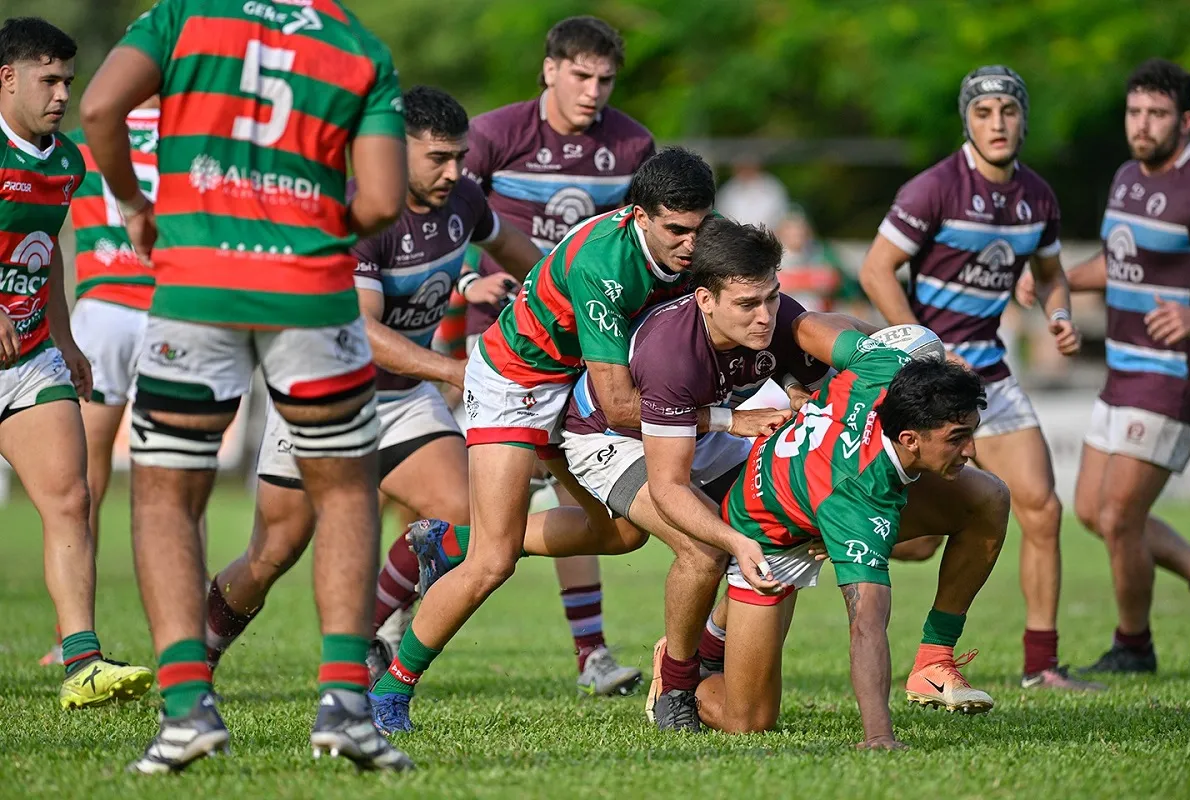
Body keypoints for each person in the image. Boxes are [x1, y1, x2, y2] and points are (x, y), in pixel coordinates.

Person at [80, 0, 412, 772]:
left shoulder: (183, 17)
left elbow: (99, 107)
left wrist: (136, 206)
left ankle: (186, 709)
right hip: (311, 293)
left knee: (166, 494)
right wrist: (311, 235)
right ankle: (345, 706)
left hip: (197, 285)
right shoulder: (358, 46)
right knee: (343, 491)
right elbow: (384, 200)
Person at [406, 219, 823, 732]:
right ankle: (676, 686)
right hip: (592, 425)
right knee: (702, 548)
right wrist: (732, 521)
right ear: (705, 298)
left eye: (772, 299)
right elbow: (657, 465)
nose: (764, 316)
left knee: (756, 525)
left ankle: (712, 647)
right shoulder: (665, 338)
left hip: (657, 418)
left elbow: (830, 335)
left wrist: (863, 360)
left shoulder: (748, 296)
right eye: (747, 305)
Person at [369, 147, 718, 732]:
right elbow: (620, 404)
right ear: (638, 217)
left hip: (578, 385)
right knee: (493, 561)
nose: (691, 245)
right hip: (517, 382)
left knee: (622, 534)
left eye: (699, 229)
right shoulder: (604, 265)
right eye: (677, 230)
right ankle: (389, 691)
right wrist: (726, 420)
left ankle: (449, 543)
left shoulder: (691, 245)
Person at [202, 86, 542, 683]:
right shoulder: (359, 213)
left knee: (470, 514)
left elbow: (522, 255)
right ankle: (200, 654)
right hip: (323, 395)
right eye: (438, 157)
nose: (455, 171)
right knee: (273, 553)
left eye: (460, 156)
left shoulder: (464, 198)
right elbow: (360, 331)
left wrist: (562, 298)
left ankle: (374, 632)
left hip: (402, 399)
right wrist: (454, 370)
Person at [859, 65, 1099, 691]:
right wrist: (923, 350)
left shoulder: (1037, 197)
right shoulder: (933, 188)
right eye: (985, 112)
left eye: (1009, 111)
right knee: (914, 540)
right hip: (929, 382)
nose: (998, 123)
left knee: (1041, 507)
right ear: (967, 120)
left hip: (990, 372)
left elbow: (1049, 273)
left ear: (1023, 118)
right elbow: (877, 271)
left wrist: (1060, 313)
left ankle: (1041, 665)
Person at [459, 15, 656, 692]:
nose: (593, 90)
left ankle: (591, 654)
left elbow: (645, 242)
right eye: (580, 74)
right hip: (499, 342)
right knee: (463, 502)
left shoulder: (633, 144)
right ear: (549, 69)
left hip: (587, 346)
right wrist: (465, 281)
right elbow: (441, 212)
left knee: (588, 495)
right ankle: (390, 621)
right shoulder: (493, 133)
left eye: (605, 79)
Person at [702, 314, 1010, 746]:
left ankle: (933, 660)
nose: (971, 450)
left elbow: (806, 325)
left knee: (989, 498)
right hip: (769, 536)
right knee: (748, 719)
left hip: (820, 488)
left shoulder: (886, 363)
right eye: (958, 438)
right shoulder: (859, 506)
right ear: (910, 439)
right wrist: (879, 735)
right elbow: (866, 627)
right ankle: (682, 674)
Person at [1017, 59, 1190, 674]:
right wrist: (1054, 279)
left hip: (1174, 377)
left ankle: (1134, 646)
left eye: (1157, 114)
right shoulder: (1126, 177)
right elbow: (1119, 262)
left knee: (1122, 516)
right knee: (1094, 512)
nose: (1143, 125)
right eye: (1135, 112)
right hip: (1121, 373)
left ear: (1185, 120)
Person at [0, 15, 153, 711]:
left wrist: (62, 335)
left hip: (29, 355)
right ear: (8, 78)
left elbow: (46, 246)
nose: (63, 93)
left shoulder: (63, 160)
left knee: (69, 497)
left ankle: (81, 661)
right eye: (48, 79)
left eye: (68, 79)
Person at [714, 156, 789, 231]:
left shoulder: (772, 188)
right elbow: (723, 219)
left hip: (766, 238)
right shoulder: (727, 191)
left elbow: (781, 219)